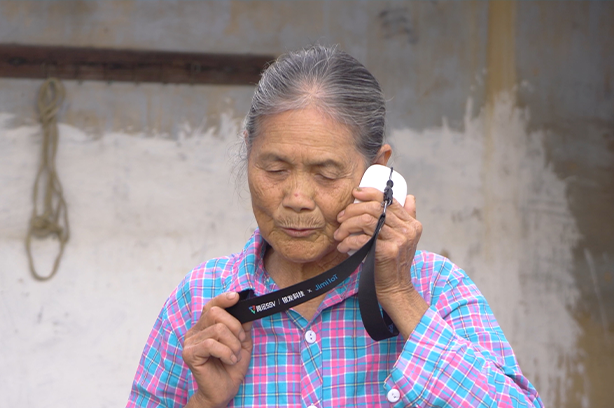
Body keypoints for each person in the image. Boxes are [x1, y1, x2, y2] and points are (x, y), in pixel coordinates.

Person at [127, 45, 543, 408]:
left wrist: (399, 295)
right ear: (247, 151)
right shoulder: (201, 300)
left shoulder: (436, 288)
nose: (297, 198)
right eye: (274, 168)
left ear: (377, 171)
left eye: (326, 174)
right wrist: (205, 403)